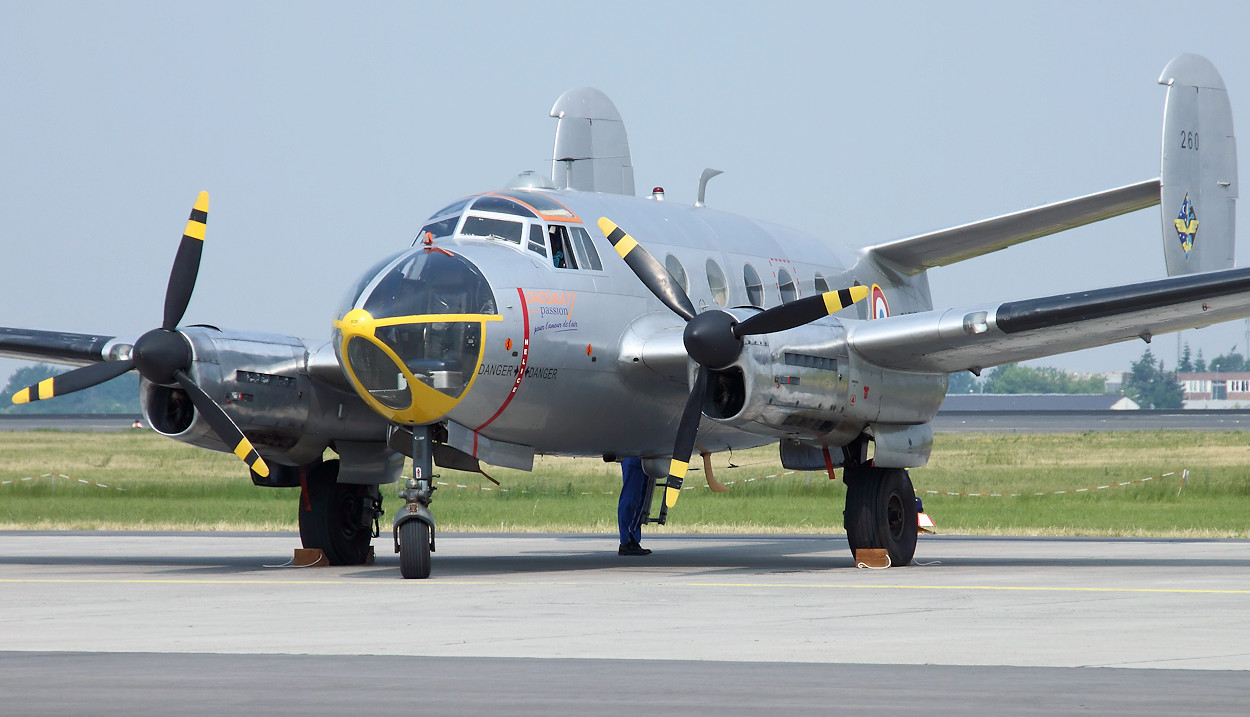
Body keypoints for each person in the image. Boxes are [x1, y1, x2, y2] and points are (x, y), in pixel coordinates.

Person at [618, 457, 652, 556]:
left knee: (641, 498)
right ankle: (626, 540)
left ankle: (633, 539)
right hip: (633, 456)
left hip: (645, 456)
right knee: (632, 498)